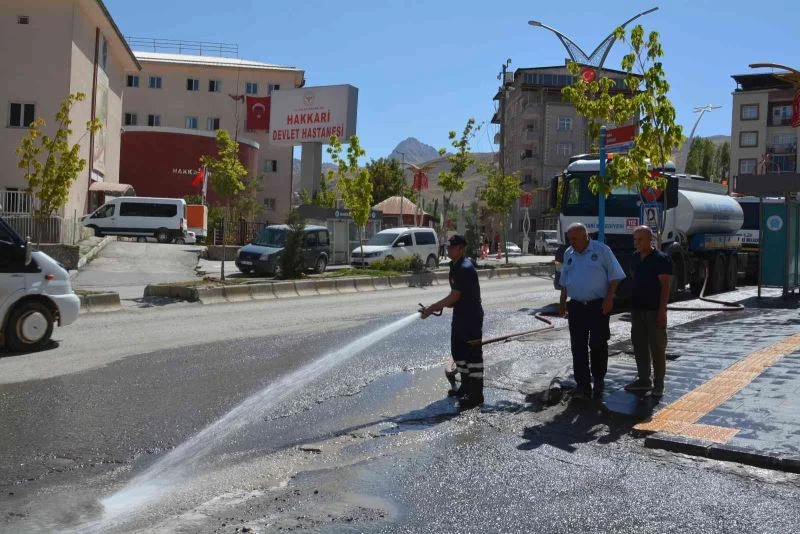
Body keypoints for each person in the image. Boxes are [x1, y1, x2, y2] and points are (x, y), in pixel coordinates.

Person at [559, 223, 626, 399]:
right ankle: (582, 384)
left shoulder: (602, 250)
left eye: (574, 239)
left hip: (598, 306)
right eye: (569, 239)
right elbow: (564, 280)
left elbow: (615, 276)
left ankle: (598, 379)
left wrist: (609, 298)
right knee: (577, 346)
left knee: (597, 344)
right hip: (576, 307)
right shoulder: (569, 253)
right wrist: (562, 302)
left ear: (585, 236)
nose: (571, 242)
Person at [421, 234, 485, 410]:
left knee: (473, 357)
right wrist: (441, 306)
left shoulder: (464, 267)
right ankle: (465, 387)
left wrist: (432, 308)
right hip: (460, 315)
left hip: (471, 318)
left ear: (461, 249)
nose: (448, 250)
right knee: (459, 352)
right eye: (447, 247)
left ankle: (476, 395)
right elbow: (457, 296)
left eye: (452, 247)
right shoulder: (454, 266)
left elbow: (455, 295)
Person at [624, 226, 673, 397]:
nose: (636, 243)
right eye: (635, 240)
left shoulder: (661, 259)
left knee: (657, 347)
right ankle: (644, 379)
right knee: (639, 346)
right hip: (637, 309)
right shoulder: (634, 258)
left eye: (640, 240)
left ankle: (659, 383)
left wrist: (662, 311)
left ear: (650, 240)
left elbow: (665, 286)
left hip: (654, 310)